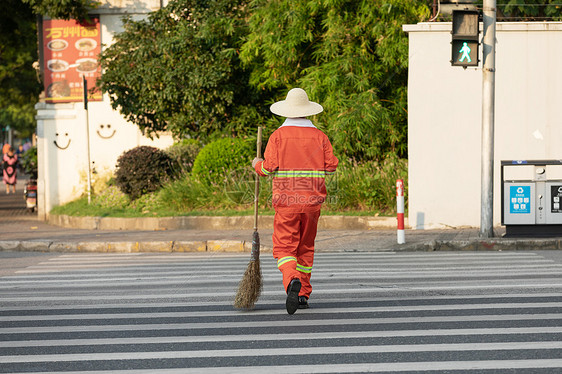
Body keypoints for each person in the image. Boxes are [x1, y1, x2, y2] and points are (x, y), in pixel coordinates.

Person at [252, 88, 339, 314]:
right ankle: (302, 295)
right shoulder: (320, 136)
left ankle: (292, 280)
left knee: (284, 249)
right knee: (305, 248)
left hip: (287, 203)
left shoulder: (277, 136)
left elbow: (267, 169)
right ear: (307, 111)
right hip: (312, 203)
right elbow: (331, 166)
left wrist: (256, 164)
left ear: (287, 111)